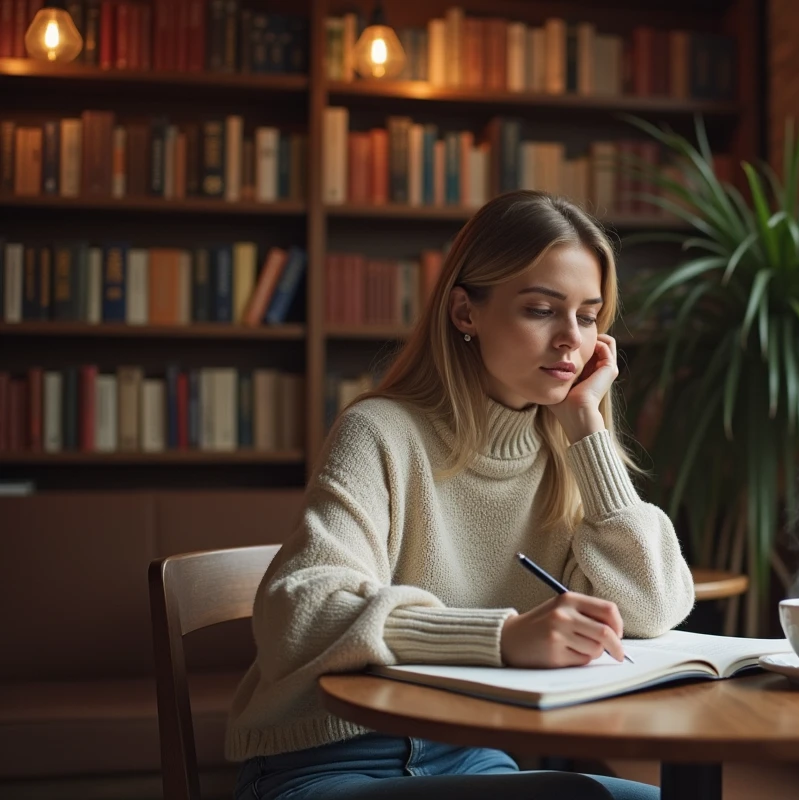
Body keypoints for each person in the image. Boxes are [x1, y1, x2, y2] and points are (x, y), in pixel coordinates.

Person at [225, 190, 697, 800]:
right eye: (540, 310)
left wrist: (589, 430)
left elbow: (654, 606)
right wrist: (500, 639)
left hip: (469, 756)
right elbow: (299, 610)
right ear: (464, 312)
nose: (570, 341)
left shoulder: (568, 453)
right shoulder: (382, 432)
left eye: (587, 315)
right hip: (327, 761)